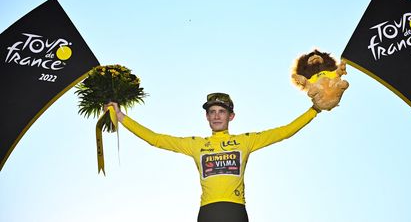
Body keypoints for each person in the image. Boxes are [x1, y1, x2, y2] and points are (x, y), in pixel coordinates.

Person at [107, 92, 321, 222]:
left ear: (231, 116)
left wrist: (315, 110)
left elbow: (285, 131)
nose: (217, 115)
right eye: (212, 112)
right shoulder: (196, 144)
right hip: (208, 211)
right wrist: (120, 117)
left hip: (235, 209)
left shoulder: (246, 140)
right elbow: (156, 139)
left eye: (221, 111)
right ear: (207, 117)